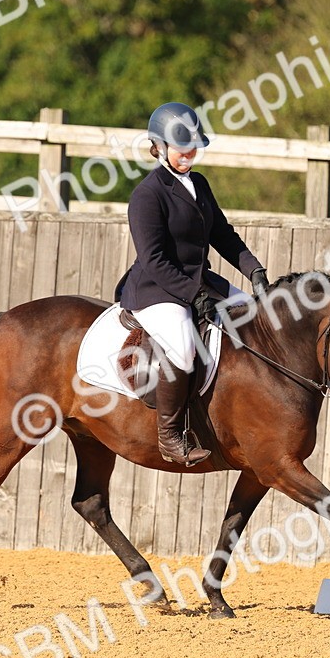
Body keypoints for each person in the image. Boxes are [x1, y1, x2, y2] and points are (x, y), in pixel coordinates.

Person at [114, 102, 270, 465]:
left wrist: (255, 270)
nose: (189, 153)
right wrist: (193, 294)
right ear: (159, 147)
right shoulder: (147, 195)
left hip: (199, 282)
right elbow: (154, 260)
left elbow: (223, 235)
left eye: (193, 146)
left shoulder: (199, 184)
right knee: (183, 347)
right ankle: (170, 436)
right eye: (181, 147)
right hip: (156, 290)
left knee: (252, 317)